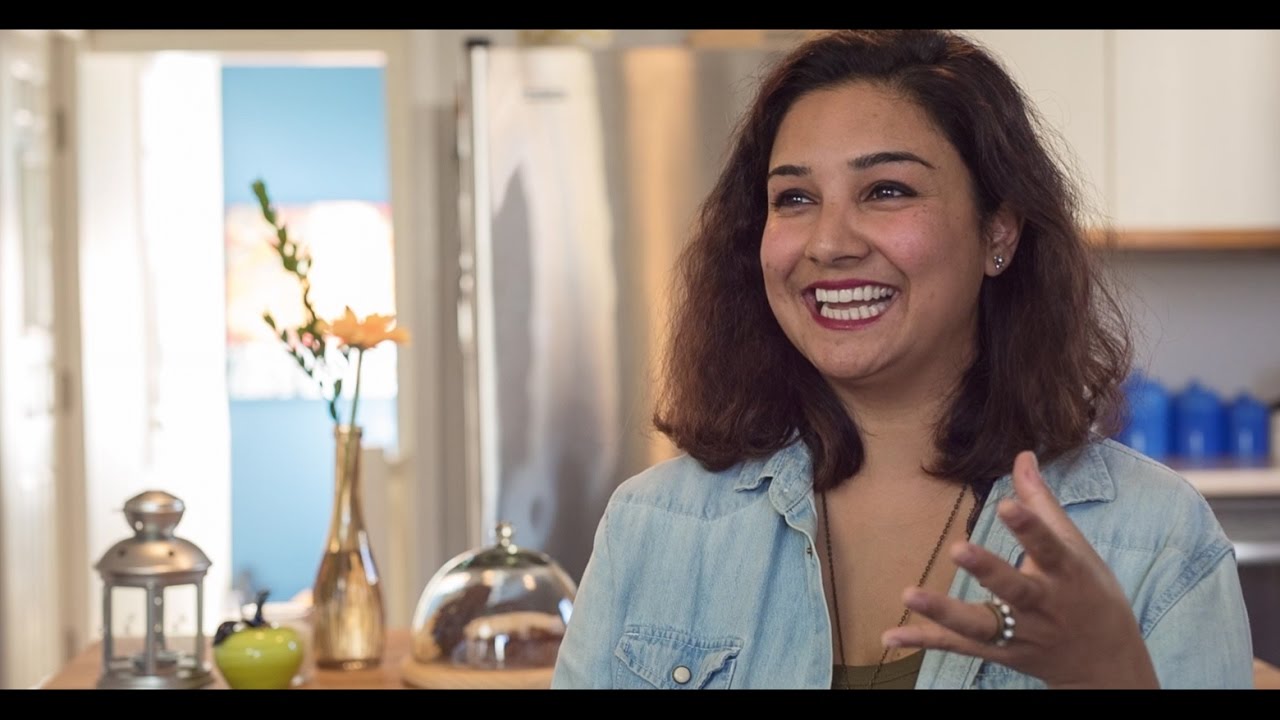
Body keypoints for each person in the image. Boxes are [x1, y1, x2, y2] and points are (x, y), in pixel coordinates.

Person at [550, 29, 1255, 689]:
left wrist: (1118, 676)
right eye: (794, 197)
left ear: (998, 233)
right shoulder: (653, 525)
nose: (829, 243)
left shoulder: (1156, 538)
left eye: (887, 190)